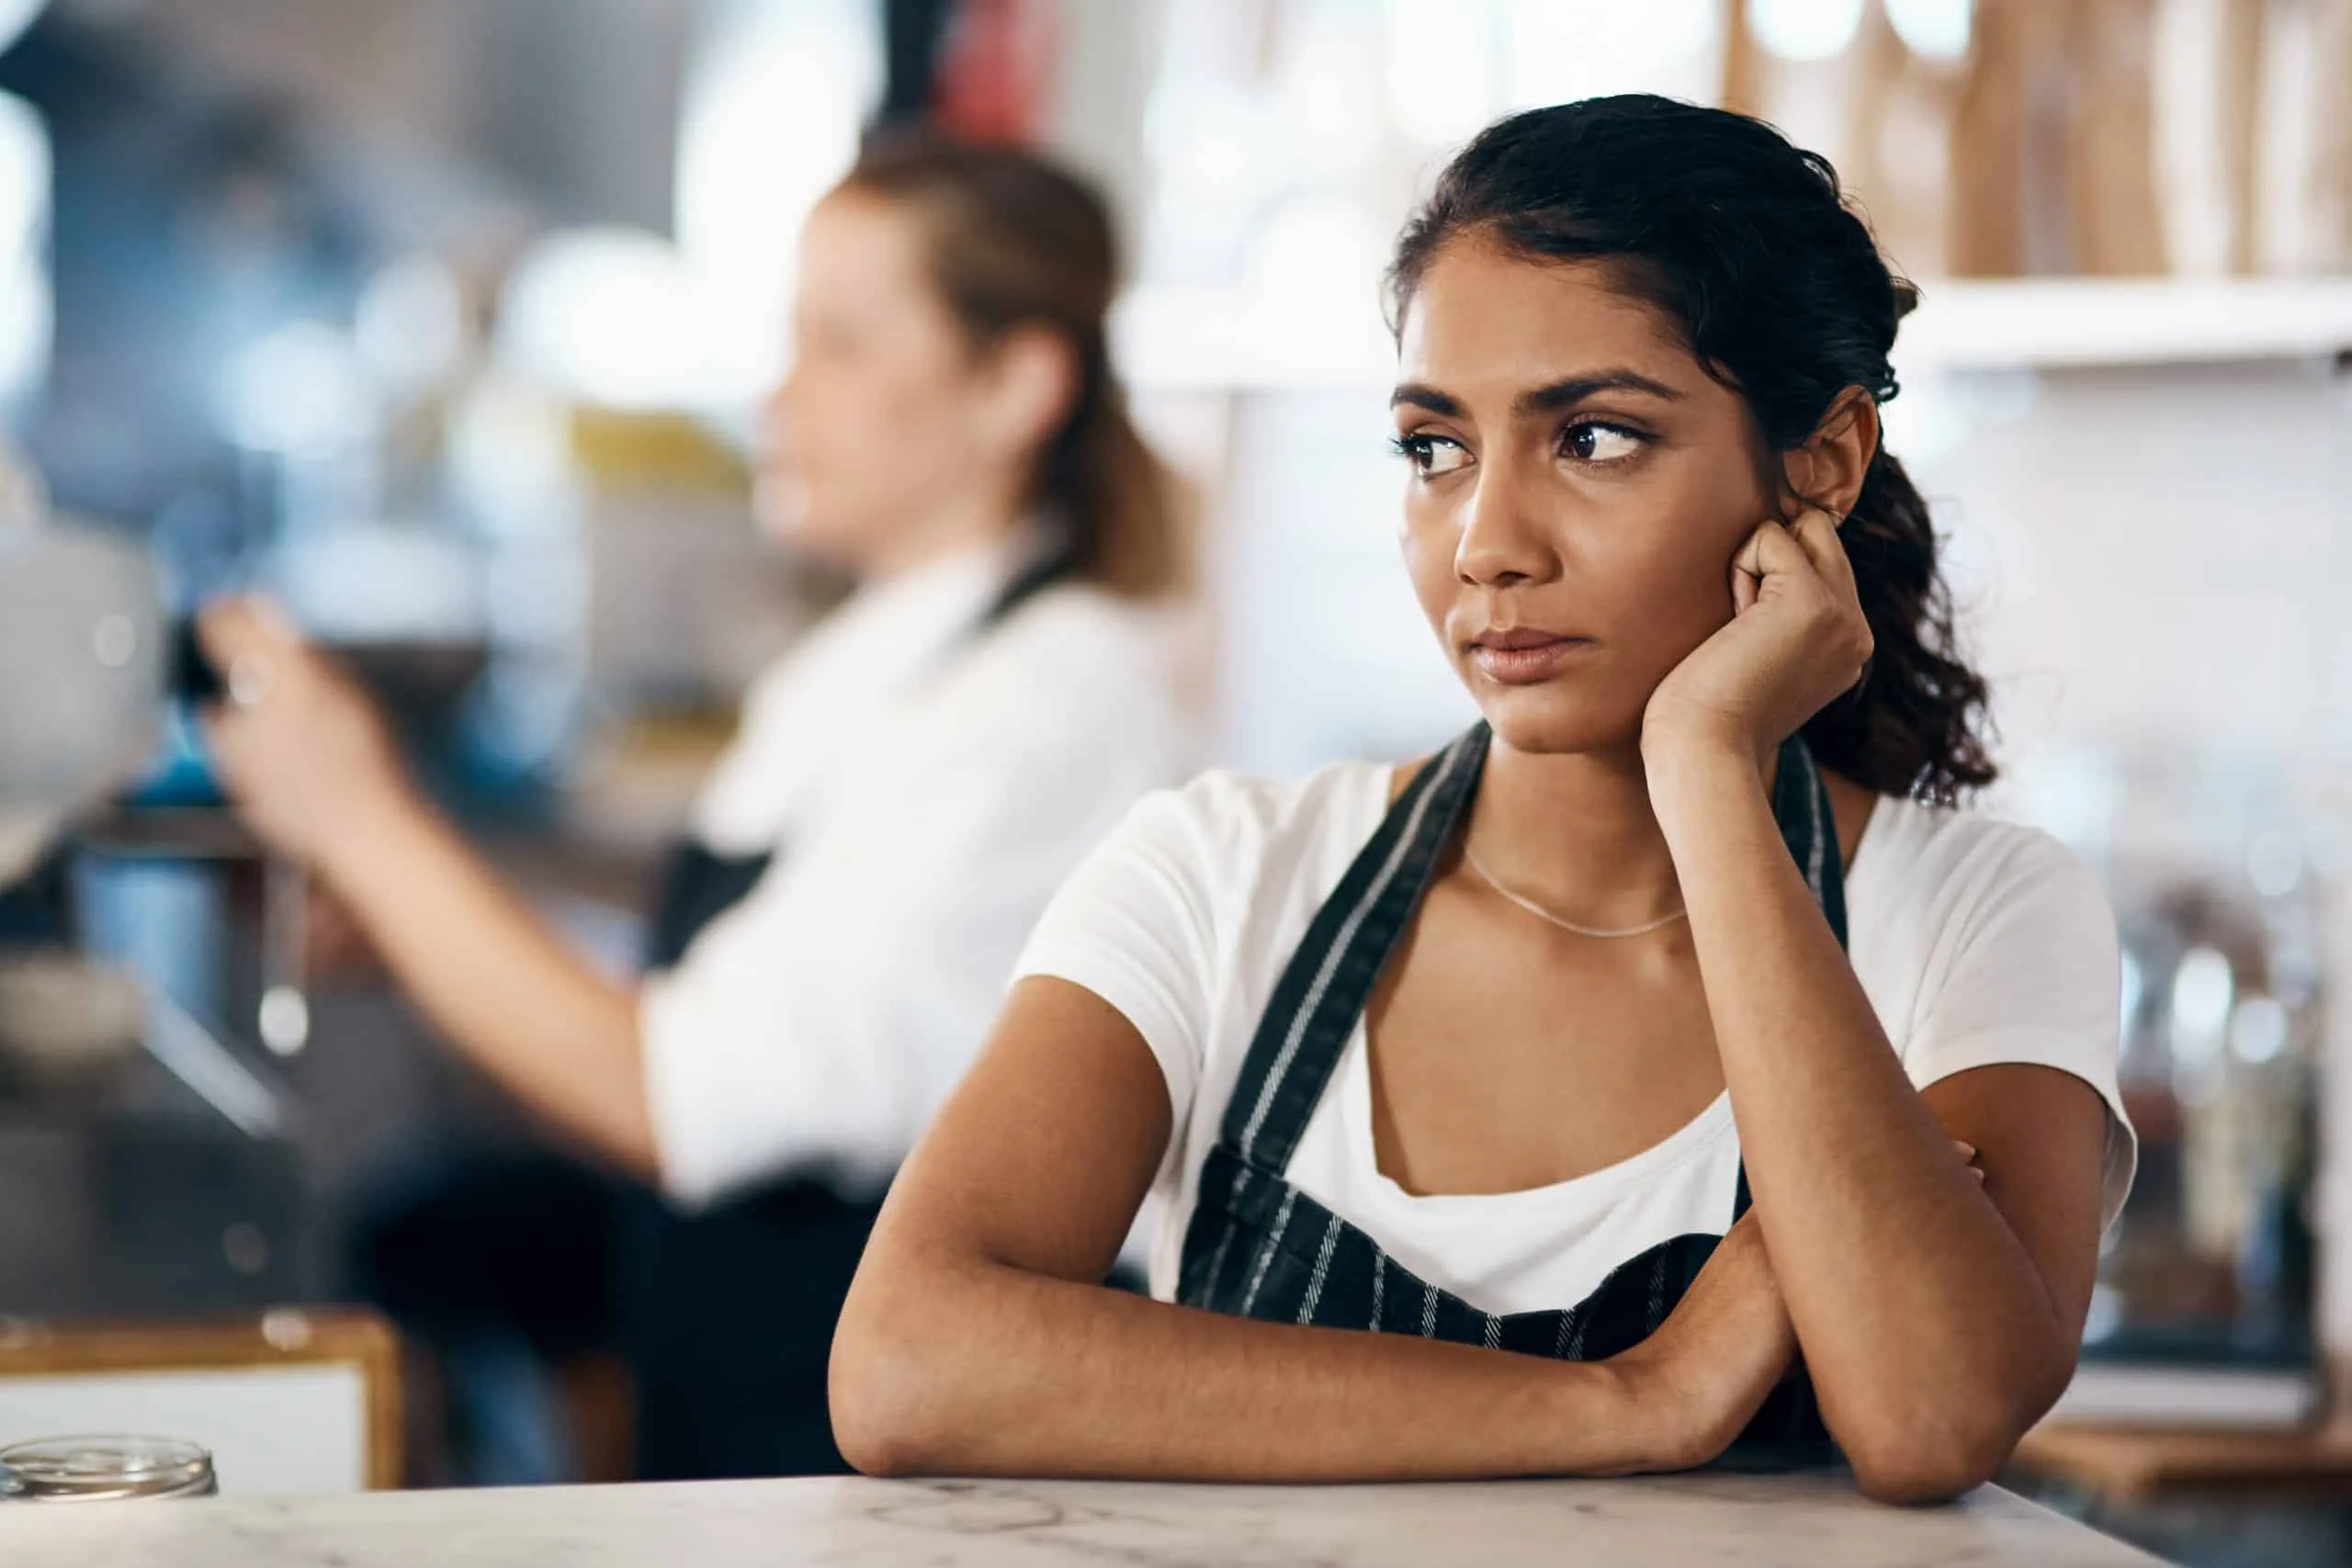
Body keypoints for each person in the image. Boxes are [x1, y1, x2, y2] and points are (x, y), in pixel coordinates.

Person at [830, 96, 2137, 1505]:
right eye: (1434, 448)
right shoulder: (1218, 879)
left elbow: (1933, 1415)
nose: (1489, 544)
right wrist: (1639, 1396)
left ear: (1821, 459)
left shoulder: (1974, 915)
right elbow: (906, 1364)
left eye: (1595, 438)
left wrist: (1705, 765)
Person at [198, 132, 1193, 1479]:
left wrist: (365, 818)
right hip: (753, 1389)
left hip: (875, 1451)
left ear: (1016, 384)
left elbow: (680, 1096)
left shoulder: (1045, 703)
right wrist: (417, 924)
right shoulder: (893, 651)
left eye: (839, 343)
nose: (778, 393)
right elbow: (747, 997)